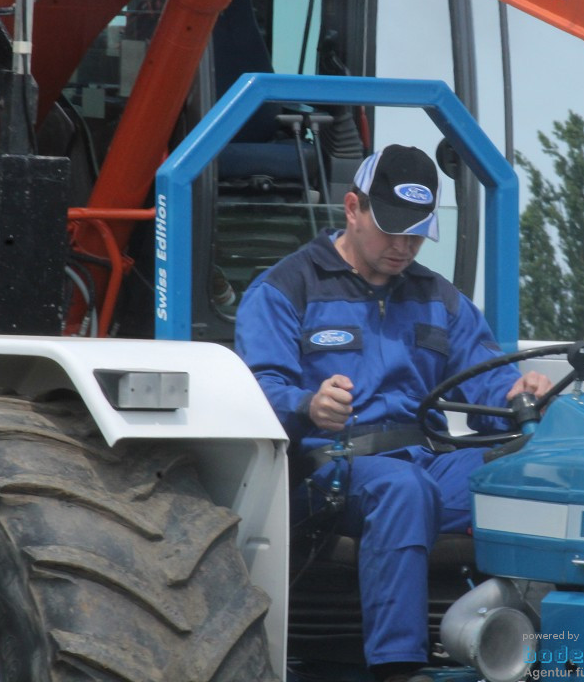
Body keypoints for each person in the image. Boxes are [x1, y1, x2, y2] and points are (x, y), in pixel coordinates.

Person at [235, 144, 551, 682]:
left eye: (415, 233)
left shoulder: (440, 299)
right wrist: (309, 404)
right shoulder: (285, 289)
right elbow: (258, 388)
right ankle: (399, 668)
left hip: (424, 460)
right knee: (403, 490)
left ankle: (546, 651)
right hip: (328, 465)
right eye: (391, 230)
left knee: (531, 480)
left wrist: (516, 391)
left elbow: (486, 380)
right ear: (353, 208)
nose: (404, 246)